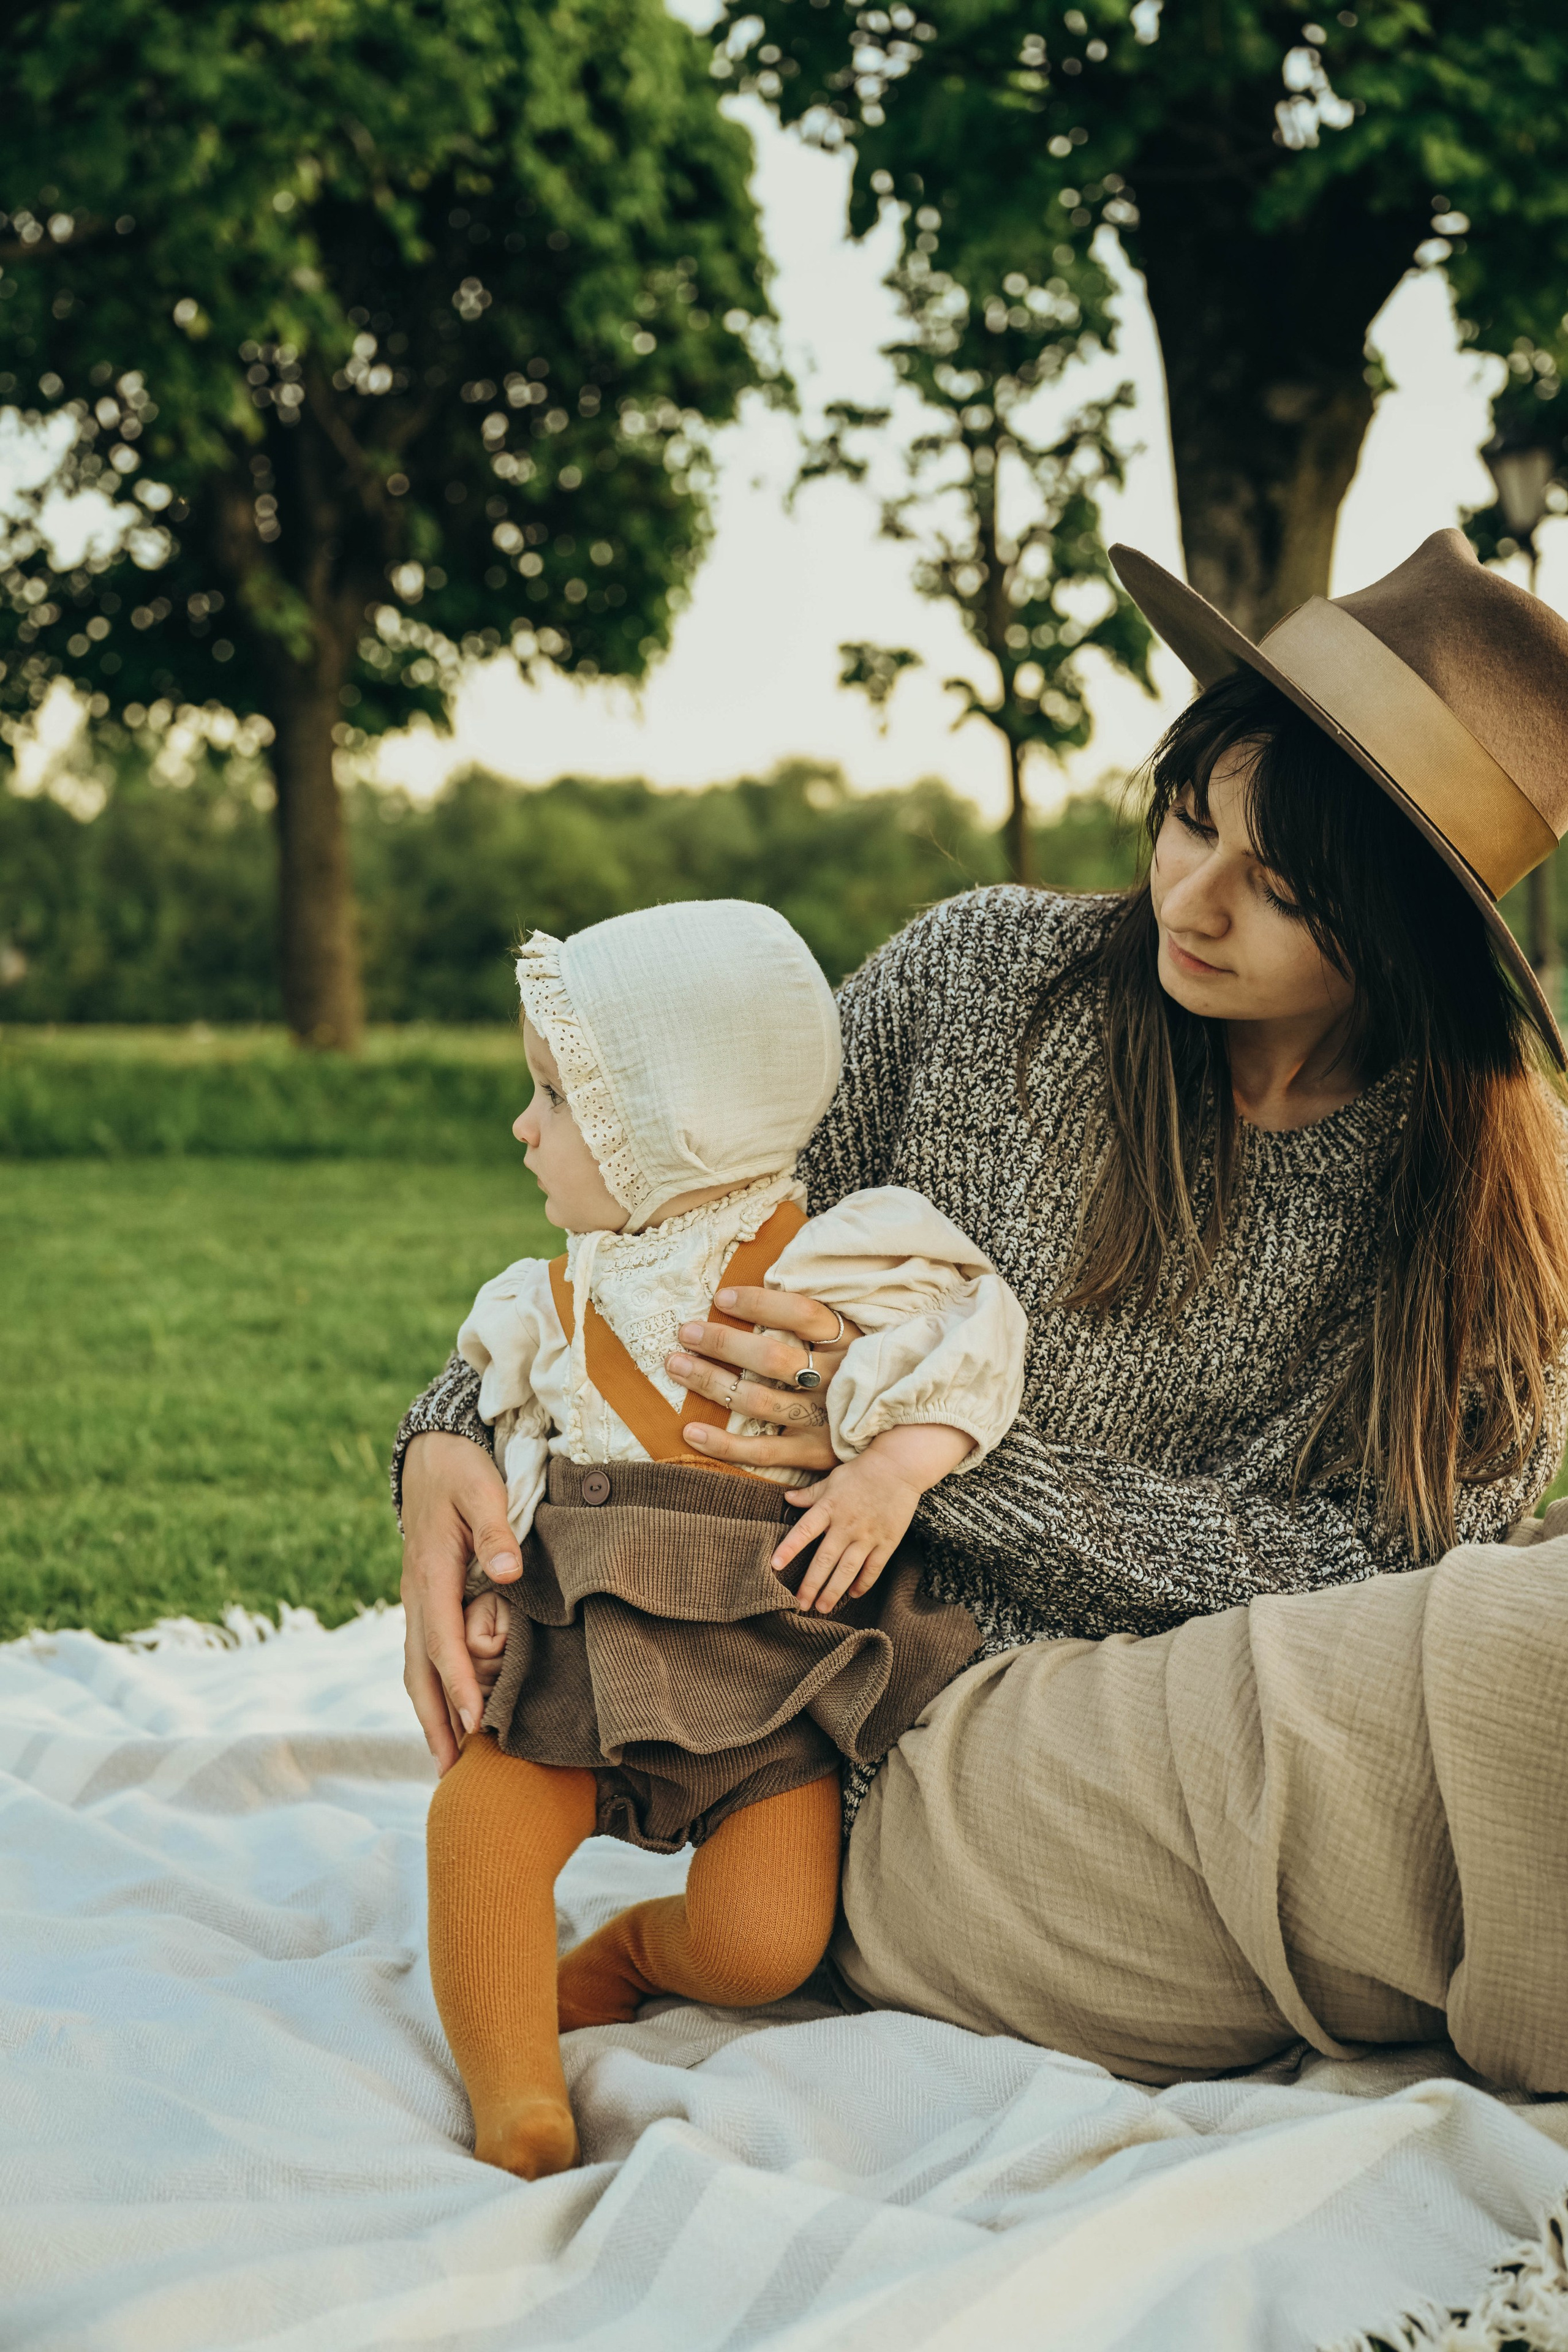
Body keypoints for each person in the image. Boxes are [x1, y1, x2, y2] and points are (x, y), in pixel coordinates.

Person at [396, 526, 1568, 2083]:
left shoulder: (1497, 1211)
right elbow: (684, 1214)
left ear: (1408, 934)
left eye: (1280, 890)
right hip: (887, 1709)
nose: (1192, 898)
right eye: (1186, 817)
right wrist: (444, 1431)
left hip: (1215, 1704)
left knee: (1517, 1627)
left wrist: (934, 1462)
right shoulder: (985, 981)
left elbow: (1381, 1572)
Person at [425, 897, 1026, 2178]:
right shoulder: (550, 1296)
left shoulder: (835, 1259)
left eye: (555, 1098)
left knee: (765, 1946)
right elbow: (509, 1438)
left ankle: (638, 1952)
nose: (523, 1126)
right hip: (581, 1647)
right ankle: (516, 2094)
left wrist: (895, 1469)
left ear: (672, 1127)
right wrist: (489, 1576)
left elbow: (977, 1342)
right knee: (478, 1826)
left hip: (770, 1664)